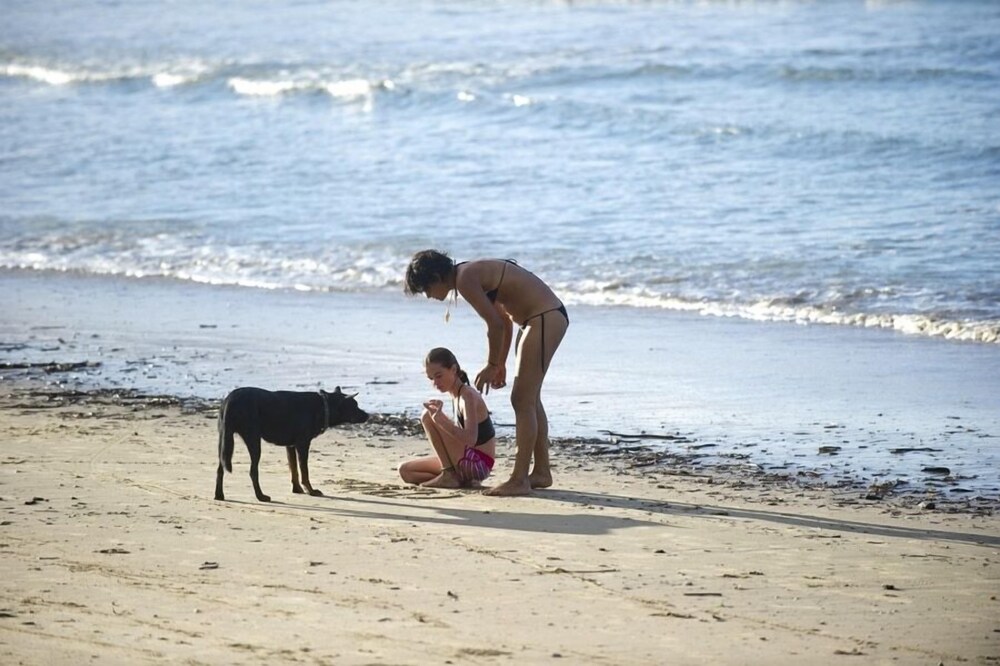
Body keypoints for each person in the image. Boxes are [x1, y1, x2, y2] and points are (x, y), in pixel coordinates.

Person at [404, 250, 568, 496]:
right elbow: (504, 319)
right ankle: (541, 472)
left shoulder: (465, 278)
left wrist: (491, 364)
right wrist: (500, 363)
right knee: (529, 399)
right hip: (535, 320)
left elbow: (495, 324)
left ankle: (520, 479)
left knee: (522, 399)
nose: (428, 296)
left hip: (543, 317)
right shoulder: (467, 274)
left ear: (437, 276)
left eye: (426, 289)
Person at [399, 347, 497, 489]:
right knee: (406, 471)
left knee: (427, 416)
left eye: (439, 376)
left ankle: (449, 475)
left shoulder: (467, 396)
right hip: (465, 461)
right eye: (431, 378)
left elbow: (471, 438)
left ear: (453, 369)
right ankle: (455, 478)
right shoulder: (455, 395)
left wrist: (441, 421)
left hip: (478, 465)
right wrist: (441, 420)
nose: (435, 383)